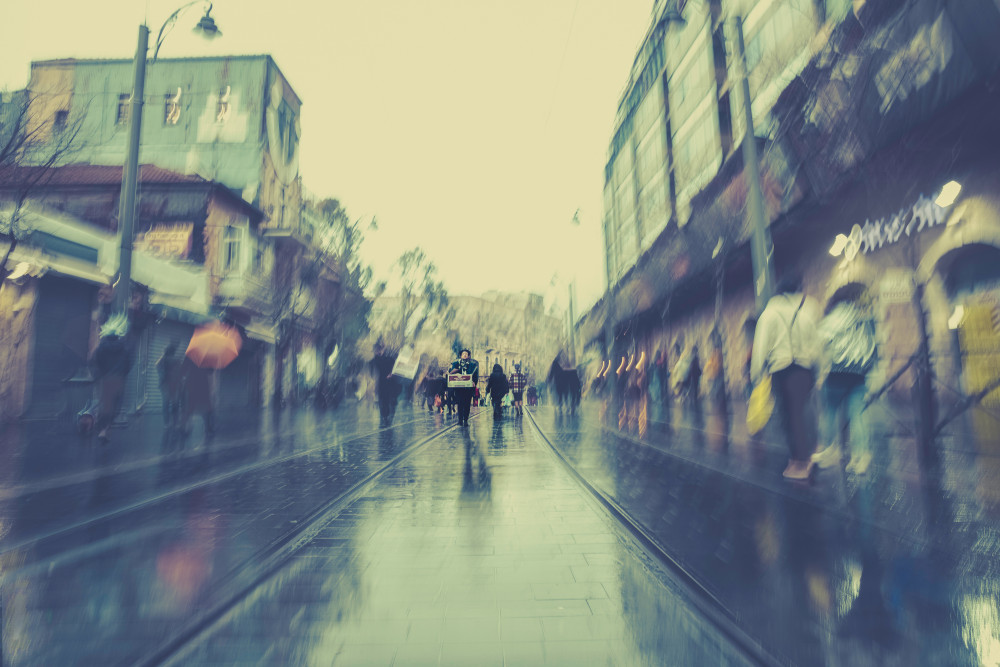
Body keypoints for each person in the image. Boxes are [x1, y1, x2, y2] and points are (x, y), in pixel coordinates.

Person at [751, 272, 822, 481]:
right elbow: (817, 344)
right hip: (806, 369)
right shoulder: (808, 310)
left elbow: (760, 347)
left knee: (789, 417)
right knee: (802, 413)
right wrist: (819, 371)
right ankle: (802, 455)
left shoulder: (769, 314)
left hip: (782, 370)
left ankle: (801, 462)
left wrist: (757, 373)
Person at [812, 299, 878, 475]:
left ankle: (831, 450)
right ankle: (861, 457)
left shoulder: (830, 321)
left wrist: (820, 374)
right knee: (858, 416)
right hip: (858, 375)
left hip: (835, 375)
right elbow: (873, 347)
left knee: (829, 413)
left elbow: (819, 348)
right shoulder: (862, 321)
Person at [91, 314, 134, 443]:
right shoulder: (125, 348)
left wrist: (99, 375)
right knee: (116, 406)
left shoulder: (101, 348)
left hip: (105, 379)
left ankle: (102, 429)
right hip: (119, 379)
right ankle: (106, 429)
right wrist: (122, 374)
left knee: (105, 404)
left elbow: (96, 362)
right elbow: (128, 365)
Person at [181, 357, 215, 437]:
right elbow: (211, 371)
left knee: (190, 407)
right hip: (202, 384)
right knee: (206, 407)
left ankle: (186, 429)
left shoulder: (189, 357)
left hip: (191, 384)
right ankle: (208, 428)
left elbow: (182, 371)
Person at [448, 348, 479, 426]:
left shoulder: (472, 364)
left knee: (467, 404)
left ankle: (465, 420)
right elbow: (451, 373)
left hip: (468, 388)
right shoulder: (456, 363)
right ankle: (460, 420)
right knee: (460, 404)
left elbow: (475, 376)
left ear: (468, 356)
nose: (465, 355)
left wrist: (474, 383)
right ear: (460, 355)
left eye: (466, 354)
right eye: (463, 354)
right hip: (459, 388)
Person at [371, 341, 399, 427]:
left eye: (379, 350)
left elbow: (395, 367)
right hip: (381, 383)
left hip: (390, 383)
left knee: (388, 400)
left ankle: (387, 416)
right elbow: (372, 372)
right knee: (383, 401)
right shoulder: (375, 360)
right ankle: (385, 416)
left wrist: (391, 373)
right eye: (376, 350)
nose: (378, 352)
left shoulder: (389, 359)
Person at [157, 343, 184, 428]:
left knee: (166, 404)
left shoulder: (162, 360)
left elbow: (158, 368)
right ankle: (175, 423)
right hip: (174, 385)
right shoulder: (177, 360)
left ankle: (167, 423)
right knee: (175, 404)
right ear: (173, 352)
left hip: (165, 385)